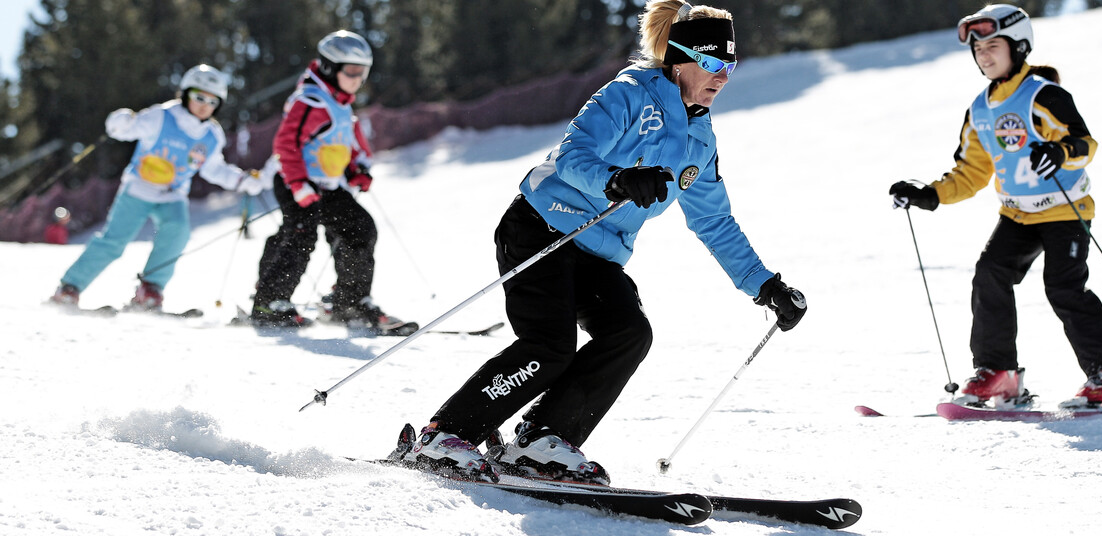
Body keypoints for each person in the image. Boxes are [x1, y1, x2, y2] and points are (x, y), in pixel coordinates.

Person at [396, 0, 807, 484]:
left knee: (628, 332)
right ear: (680, 60)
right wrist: (616, 179)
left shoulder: (700, 141)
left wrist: (765, 286)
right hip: (543, 228)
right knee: (550, 346)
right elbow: (574, 156)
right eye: (712, 62)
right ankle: (445, 435)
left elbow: (714, 222)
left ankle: (541, 440)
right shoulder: (628, 94)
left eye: (729, 66)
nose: (722, 76)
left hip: (598, 253)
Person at [889, 4, 1102, 410]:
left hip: (1064, 210)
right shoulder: (981, 109)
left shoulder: (1044, 95)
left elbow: (1084, 143)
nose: (984, 55)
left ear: (1019, 47)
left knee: (1063, 287)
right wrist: (929, 195)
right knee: (990, 273)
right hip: (1017, 215)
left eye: (993, 46)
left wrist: (1060, 153)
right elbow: (970, 172)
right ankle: (999, 374)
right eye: (977, 49)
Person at [49, 64, 263, 311]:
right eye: (199, 97)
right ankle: (69, 287)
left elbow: (213, 168)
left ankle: (150, 290)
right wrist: (120, 122)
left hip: (173, 195)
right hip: (138, 189)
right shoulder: (161, 116)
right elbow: (125, 130)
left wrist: (241, 180)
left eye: (212, 101)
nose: (205, 105)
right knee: (114, 241)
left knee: (178, 232)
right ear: (185, 94)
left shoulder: (212, 135)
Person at [248, 30, 416, 335]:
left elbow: (338, 146)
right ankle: (269, 303)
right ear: (329, 67)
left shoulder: (340, 104)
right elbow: (286, 144)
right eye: (351, 71)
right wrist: (299, 184)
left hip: (327, 185)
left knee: (360, 228)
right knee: (301, 234)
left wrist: (355, 171)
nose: (357, 79)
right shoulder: (310, 101)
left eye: (362, 72)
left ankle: (349, 302)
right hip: (295, 181)